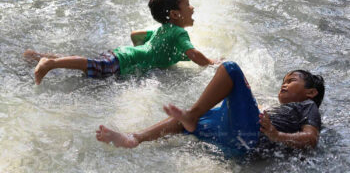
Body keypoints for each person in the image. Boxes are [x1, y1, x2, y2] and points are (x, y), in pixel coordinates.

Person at [95, 61, 325, 157]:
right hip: (230, 140)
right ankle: (134, 137)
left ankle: (192, 118)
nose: (284, 84)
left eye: (291, 80)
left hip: (249, 139)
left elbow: (311, 138)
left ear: (311, 92)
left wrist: (277, 135)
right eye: (284, 80)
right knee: (184, 120)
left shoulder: (307, 106)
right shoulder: (276, 106)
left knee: (231, 69)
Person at [24, 0, 219, 85]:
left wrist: (144, 54)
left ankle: (41, 56)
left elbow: (136, 35)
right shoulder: (179, 32)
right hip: (124, 59)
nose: (192, 8)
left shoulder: (164, 29)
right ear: (176, 14)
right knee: (94, 66)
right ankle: (50, 64)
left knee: (88, 64)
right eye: (188, 5)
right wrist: (211, 63)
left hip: (124, 53)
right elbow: (193, 55)